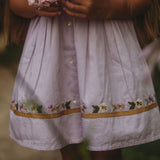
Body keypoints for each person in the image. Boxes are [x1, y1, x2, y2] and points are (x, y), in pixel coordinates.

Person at [5, 0, 160, 159]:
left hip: (103, 57)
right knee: (68, 144)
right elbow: (16, 3)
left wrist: (108, 8)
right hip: (55, 56)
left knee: (106, 145)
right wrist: (37, 5)